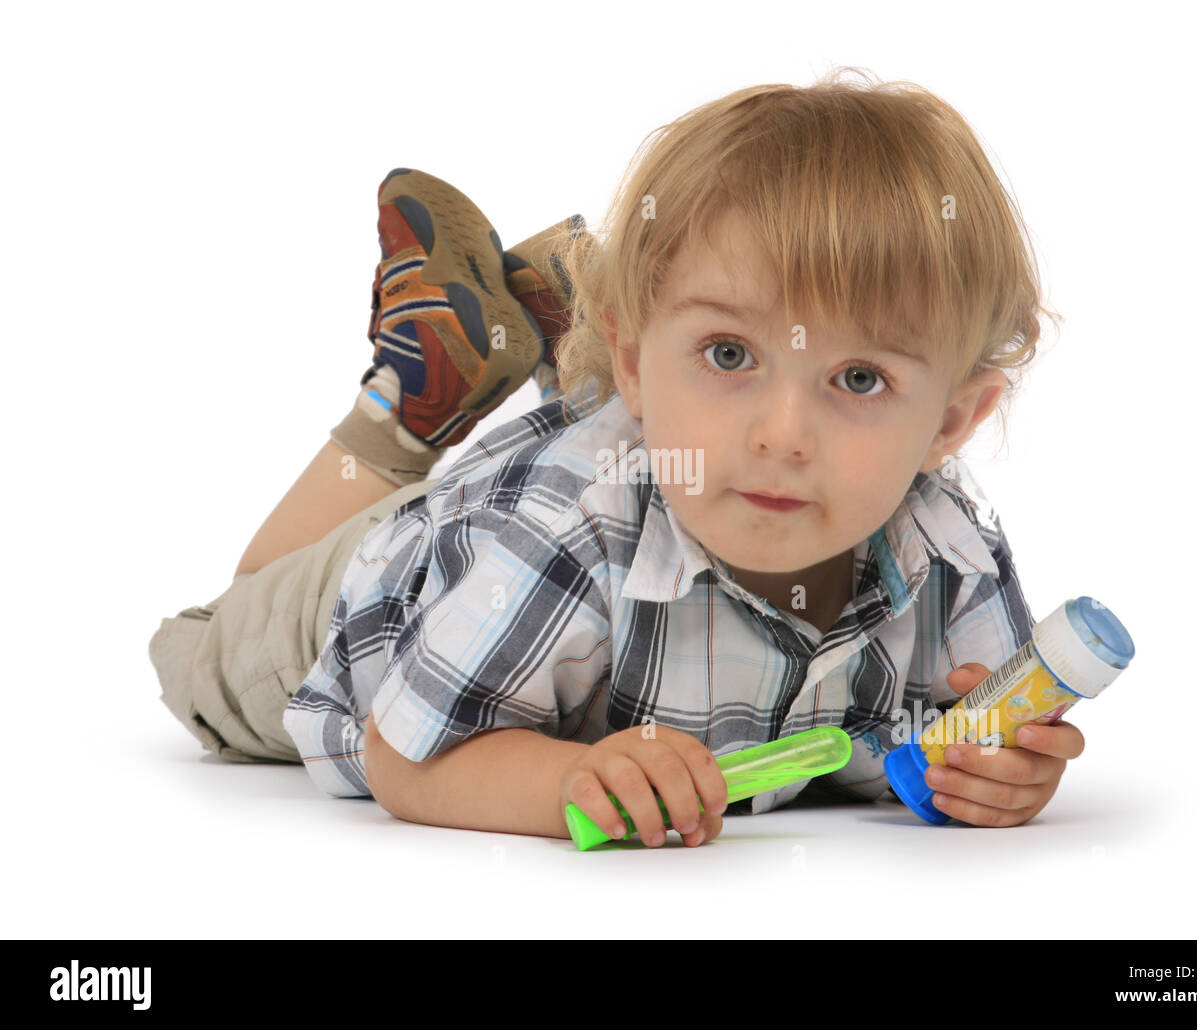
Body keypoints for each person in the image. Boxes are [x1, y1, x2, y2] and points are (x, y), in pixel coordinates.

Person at [149, 67, 1084, 848]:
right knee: (214, 631)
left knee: (676, 441)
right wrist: (573, 780)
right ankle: (404, 402)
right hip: (399, 592)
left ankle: (581, 347)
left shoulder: (950, 544)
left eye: (860, 379)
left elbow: (956, 740)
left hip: (618, 461)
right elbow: (407, 758)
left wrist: (991, 772)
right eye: (731, 354)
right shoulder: (567, 529)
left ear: (954, 421)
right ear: (638, 361)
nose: (783, 435)